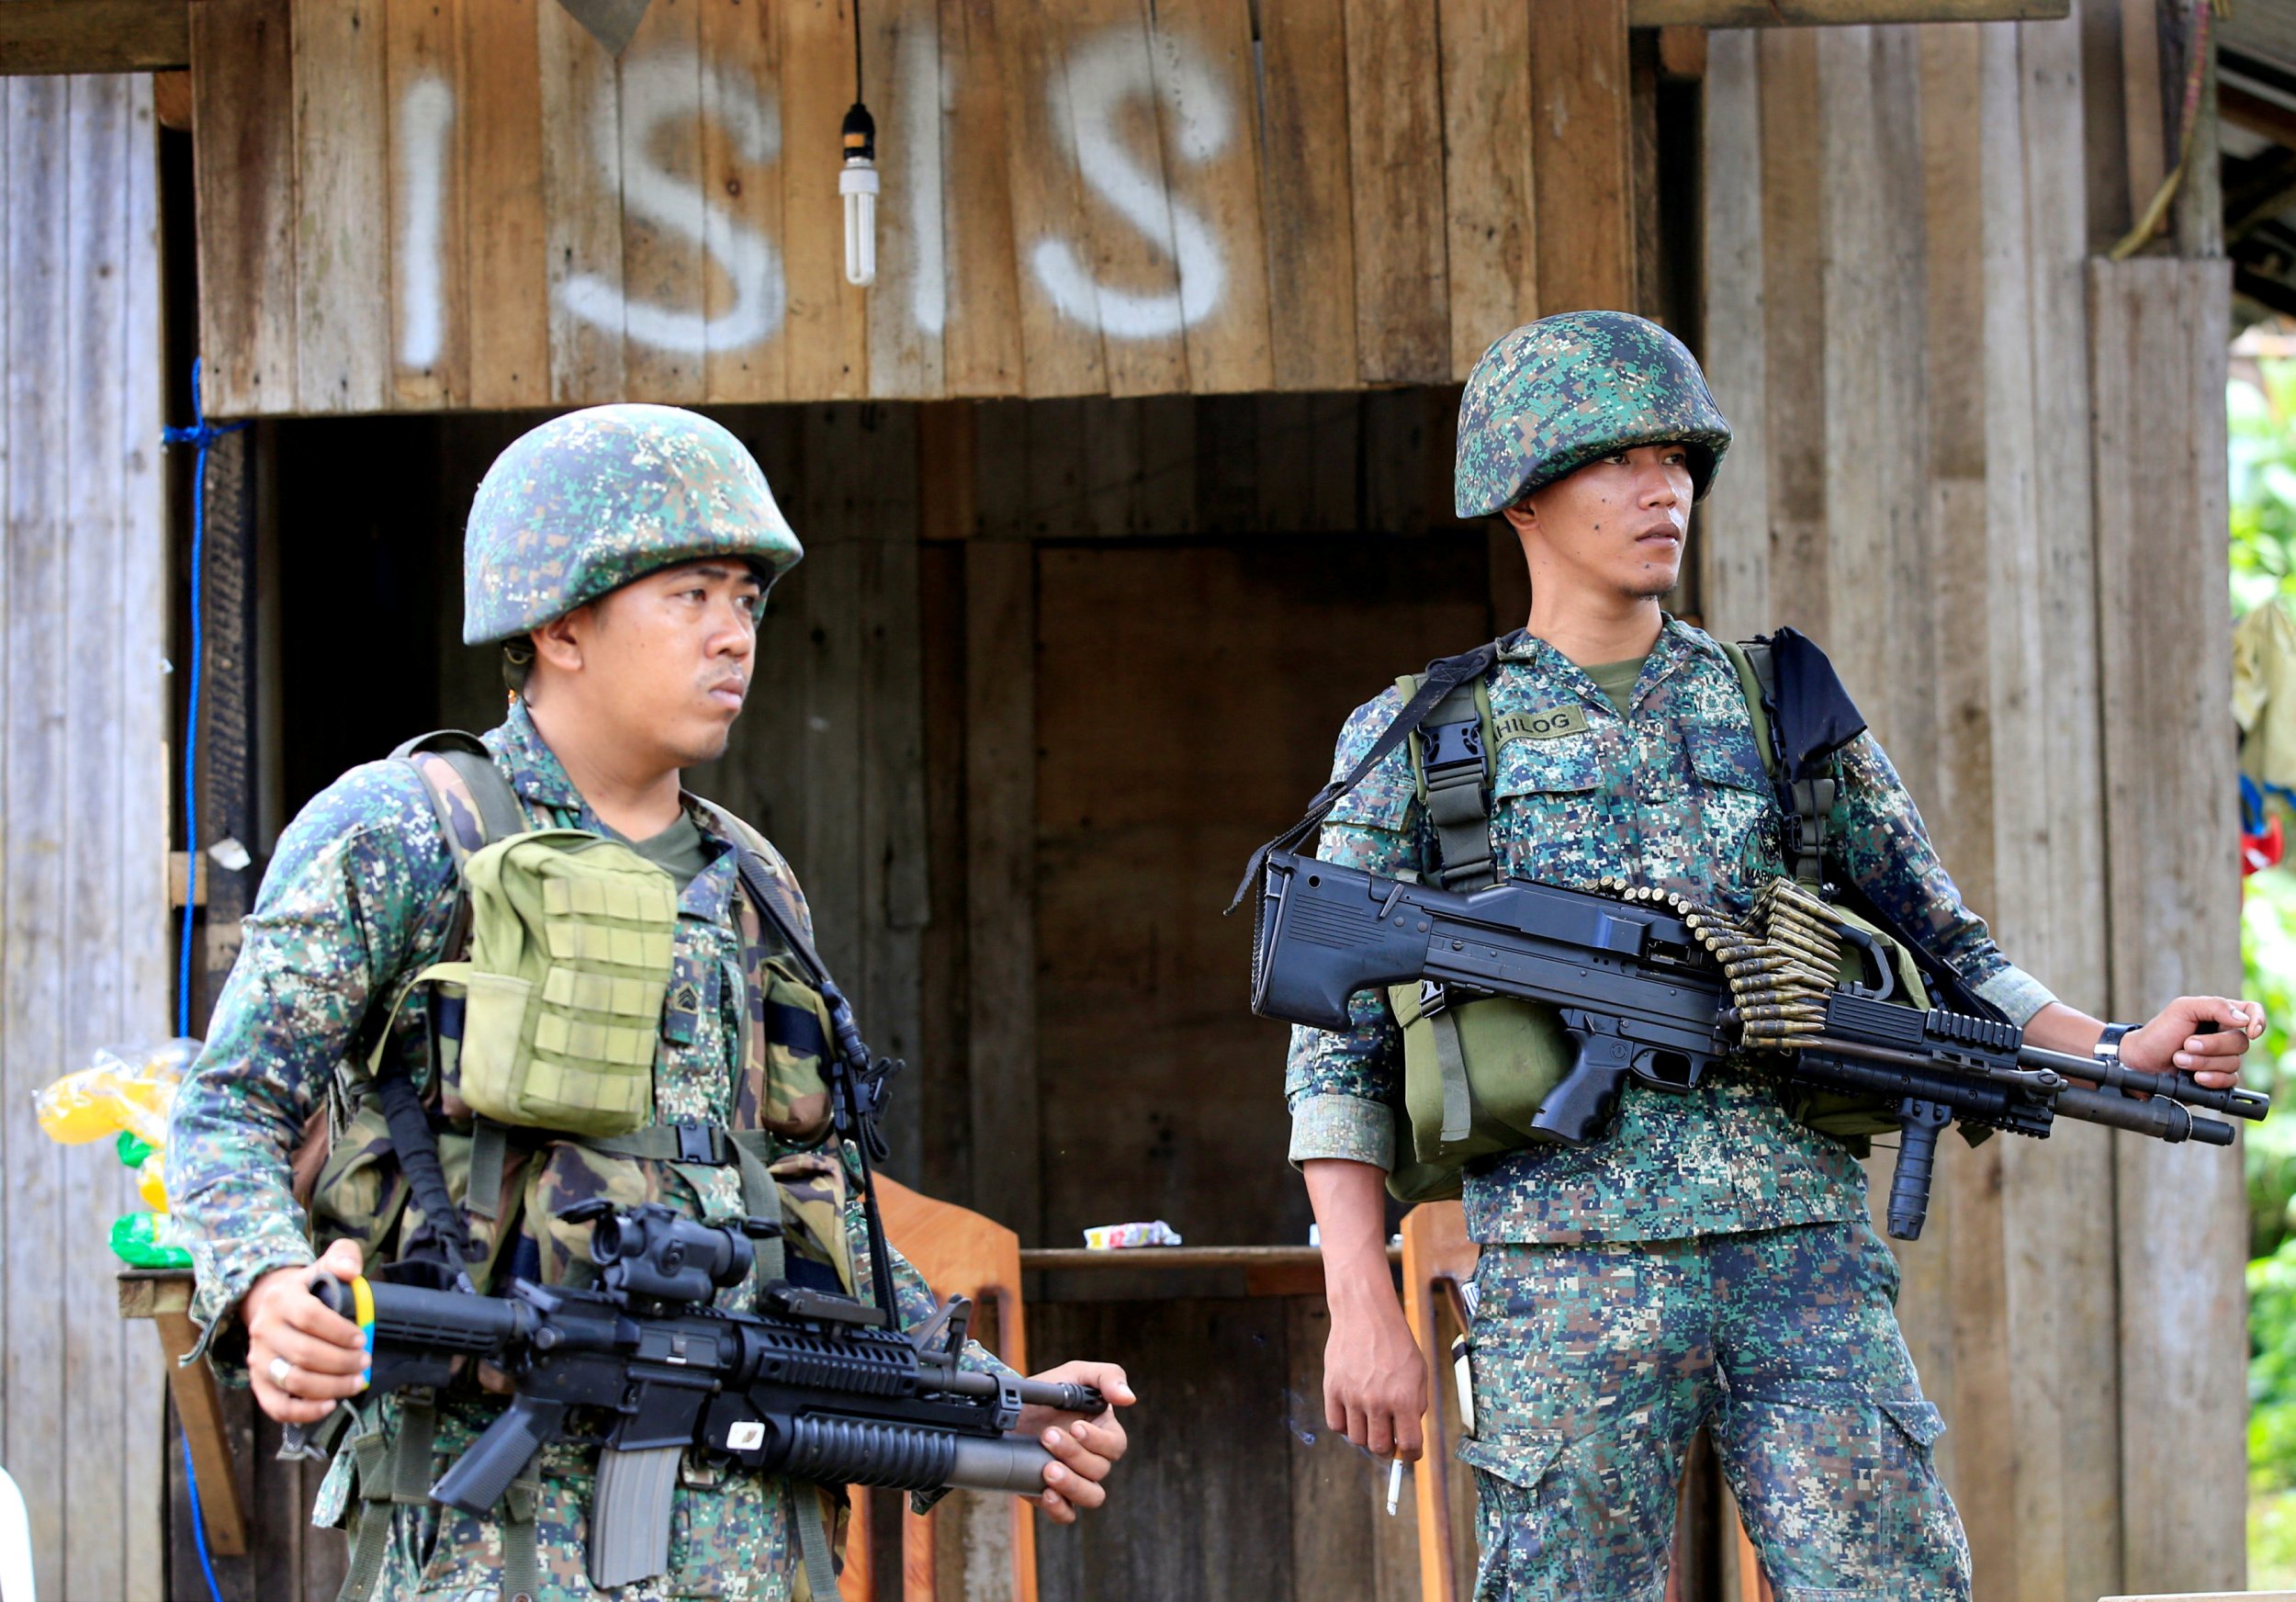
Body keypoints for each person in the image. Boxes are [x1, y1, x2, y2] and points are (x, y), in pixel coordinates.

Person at [1285, 311, 2261, 1600]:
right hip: (1565, 1276)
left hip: (1803, 1265)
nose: (1663, 490)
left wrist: (2121, 1048)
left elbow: (1950, 948)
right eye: (1618, 461)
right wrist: (1361, 1300)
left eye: (1680, 460)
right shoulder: (1425, 733)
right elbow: (1334, 1043)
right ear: (1519, 492)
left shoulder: (1777, 702)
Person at [170, 404, 1131, 1602]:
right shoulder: (412, 829)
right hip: (487, 1521)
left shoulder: (754, 885)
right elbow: (226, 1108)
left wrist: (993, 1402)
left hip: (747, 1525)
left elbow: (811, 1203)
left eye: (748, 601)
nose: (735, 636)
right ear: (563, 624)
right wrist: (267, 1286)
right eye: (692, 596)